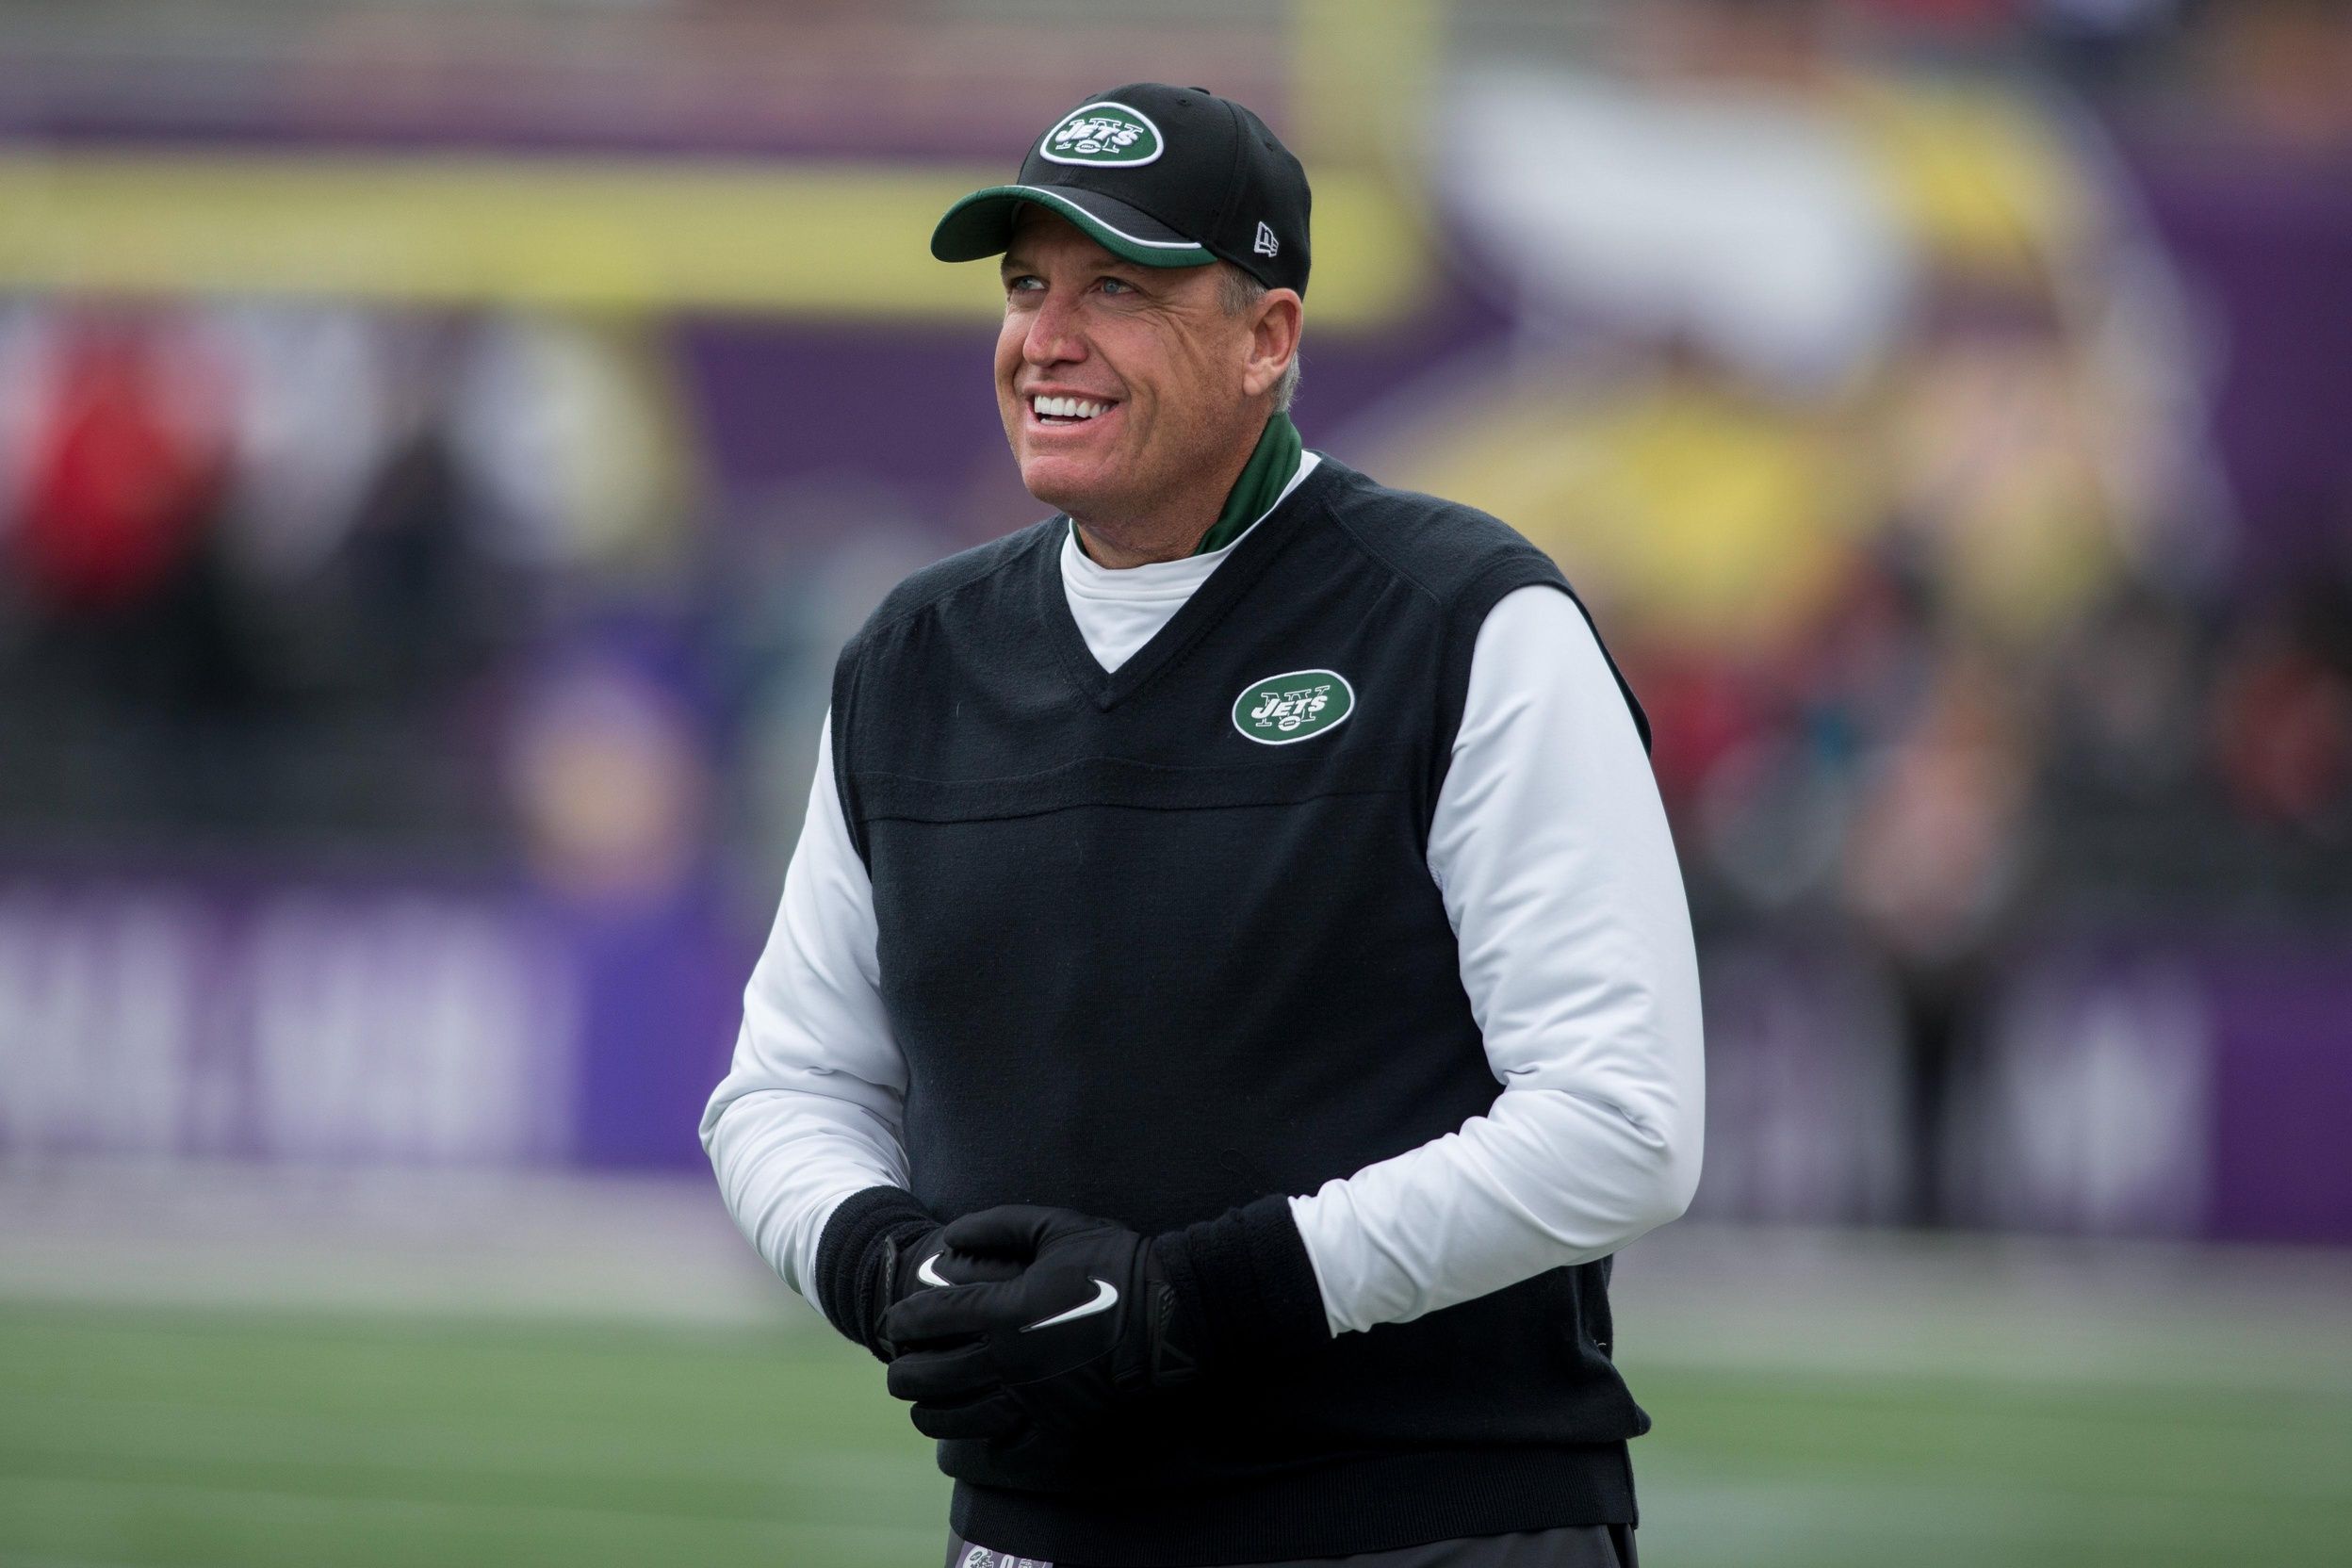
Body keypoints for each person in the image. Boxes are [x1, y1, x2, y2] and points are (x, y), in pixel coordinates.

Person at [702, 83, 1705, 1568]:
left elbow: (1623, 1128)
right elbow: (781, 1088)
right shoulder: (913, 657)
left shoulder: (1464, 620)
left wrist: (1190, 1299)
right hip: (1039, 1535)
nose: (1047, 336)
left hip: (1430, 1529)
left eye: (1120, 287)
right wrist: (893, 1269)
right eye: (1029, 285)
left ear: (1268, 338)